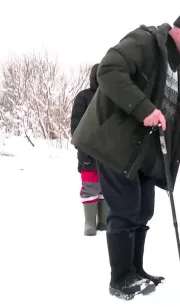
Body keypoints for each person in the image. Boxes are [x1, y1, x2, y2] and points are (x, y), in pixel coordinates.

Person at [71, 10, 180, 300]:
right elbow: (108, 70)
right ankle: (120, 278)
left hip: (147, 154)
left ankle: (136, 270)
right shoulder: (145, 41)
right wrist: (143, 108)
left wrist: (173, 156)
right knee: (124, 211)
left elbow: (172, 115)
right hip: (116, 144)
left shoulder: (177, 69)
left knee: (143, 211)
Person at [70, 63, 109, 236]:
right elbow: (76, 125)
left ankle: (103, 220)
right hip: (89, 150)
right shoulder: (83, 97)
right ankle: (89, 223)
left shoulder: (115, 97)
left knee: (107, 186)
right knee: (90, 185)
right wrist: (82, 148)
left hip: (110, 151)